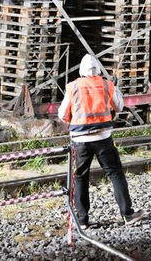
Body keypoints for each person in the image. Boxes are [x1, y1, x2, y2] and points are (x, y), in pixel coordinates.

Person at [57, 53, 137, 228]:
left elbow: (62, 114)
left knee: (80, 177)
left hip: (79, 140)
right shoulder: (107, 85)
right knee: (115, 173)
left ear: (81, 71)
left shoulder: (73, 87)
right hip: (103, 138)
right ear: (99, 69)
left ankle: (82, 220)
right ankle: (128, 214)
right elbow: (120, 106)